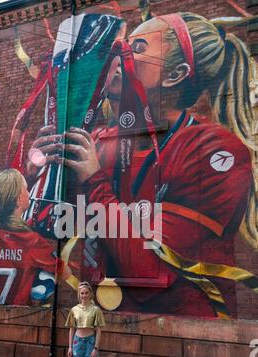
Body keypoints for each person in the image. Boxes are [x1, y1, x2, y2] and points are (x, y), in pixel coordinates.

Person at [58, 13, 258, 318]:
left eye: (137, 47)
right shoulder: (99, 139)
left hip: (185, 340)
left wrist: (94, 181)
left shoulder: (213, 150)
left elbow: (147, 266)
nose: (119, 54)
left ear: (175, 74)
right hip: (98, 325)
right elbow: (64, 229)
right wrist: (45, 177)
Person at [0, 169, 69, 306]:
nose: (29, 193)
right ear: (19, 199)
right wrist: (41, 280)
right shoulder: (32, 241)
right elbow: (64, 272)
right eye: (26, 189)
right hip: (19, 317)